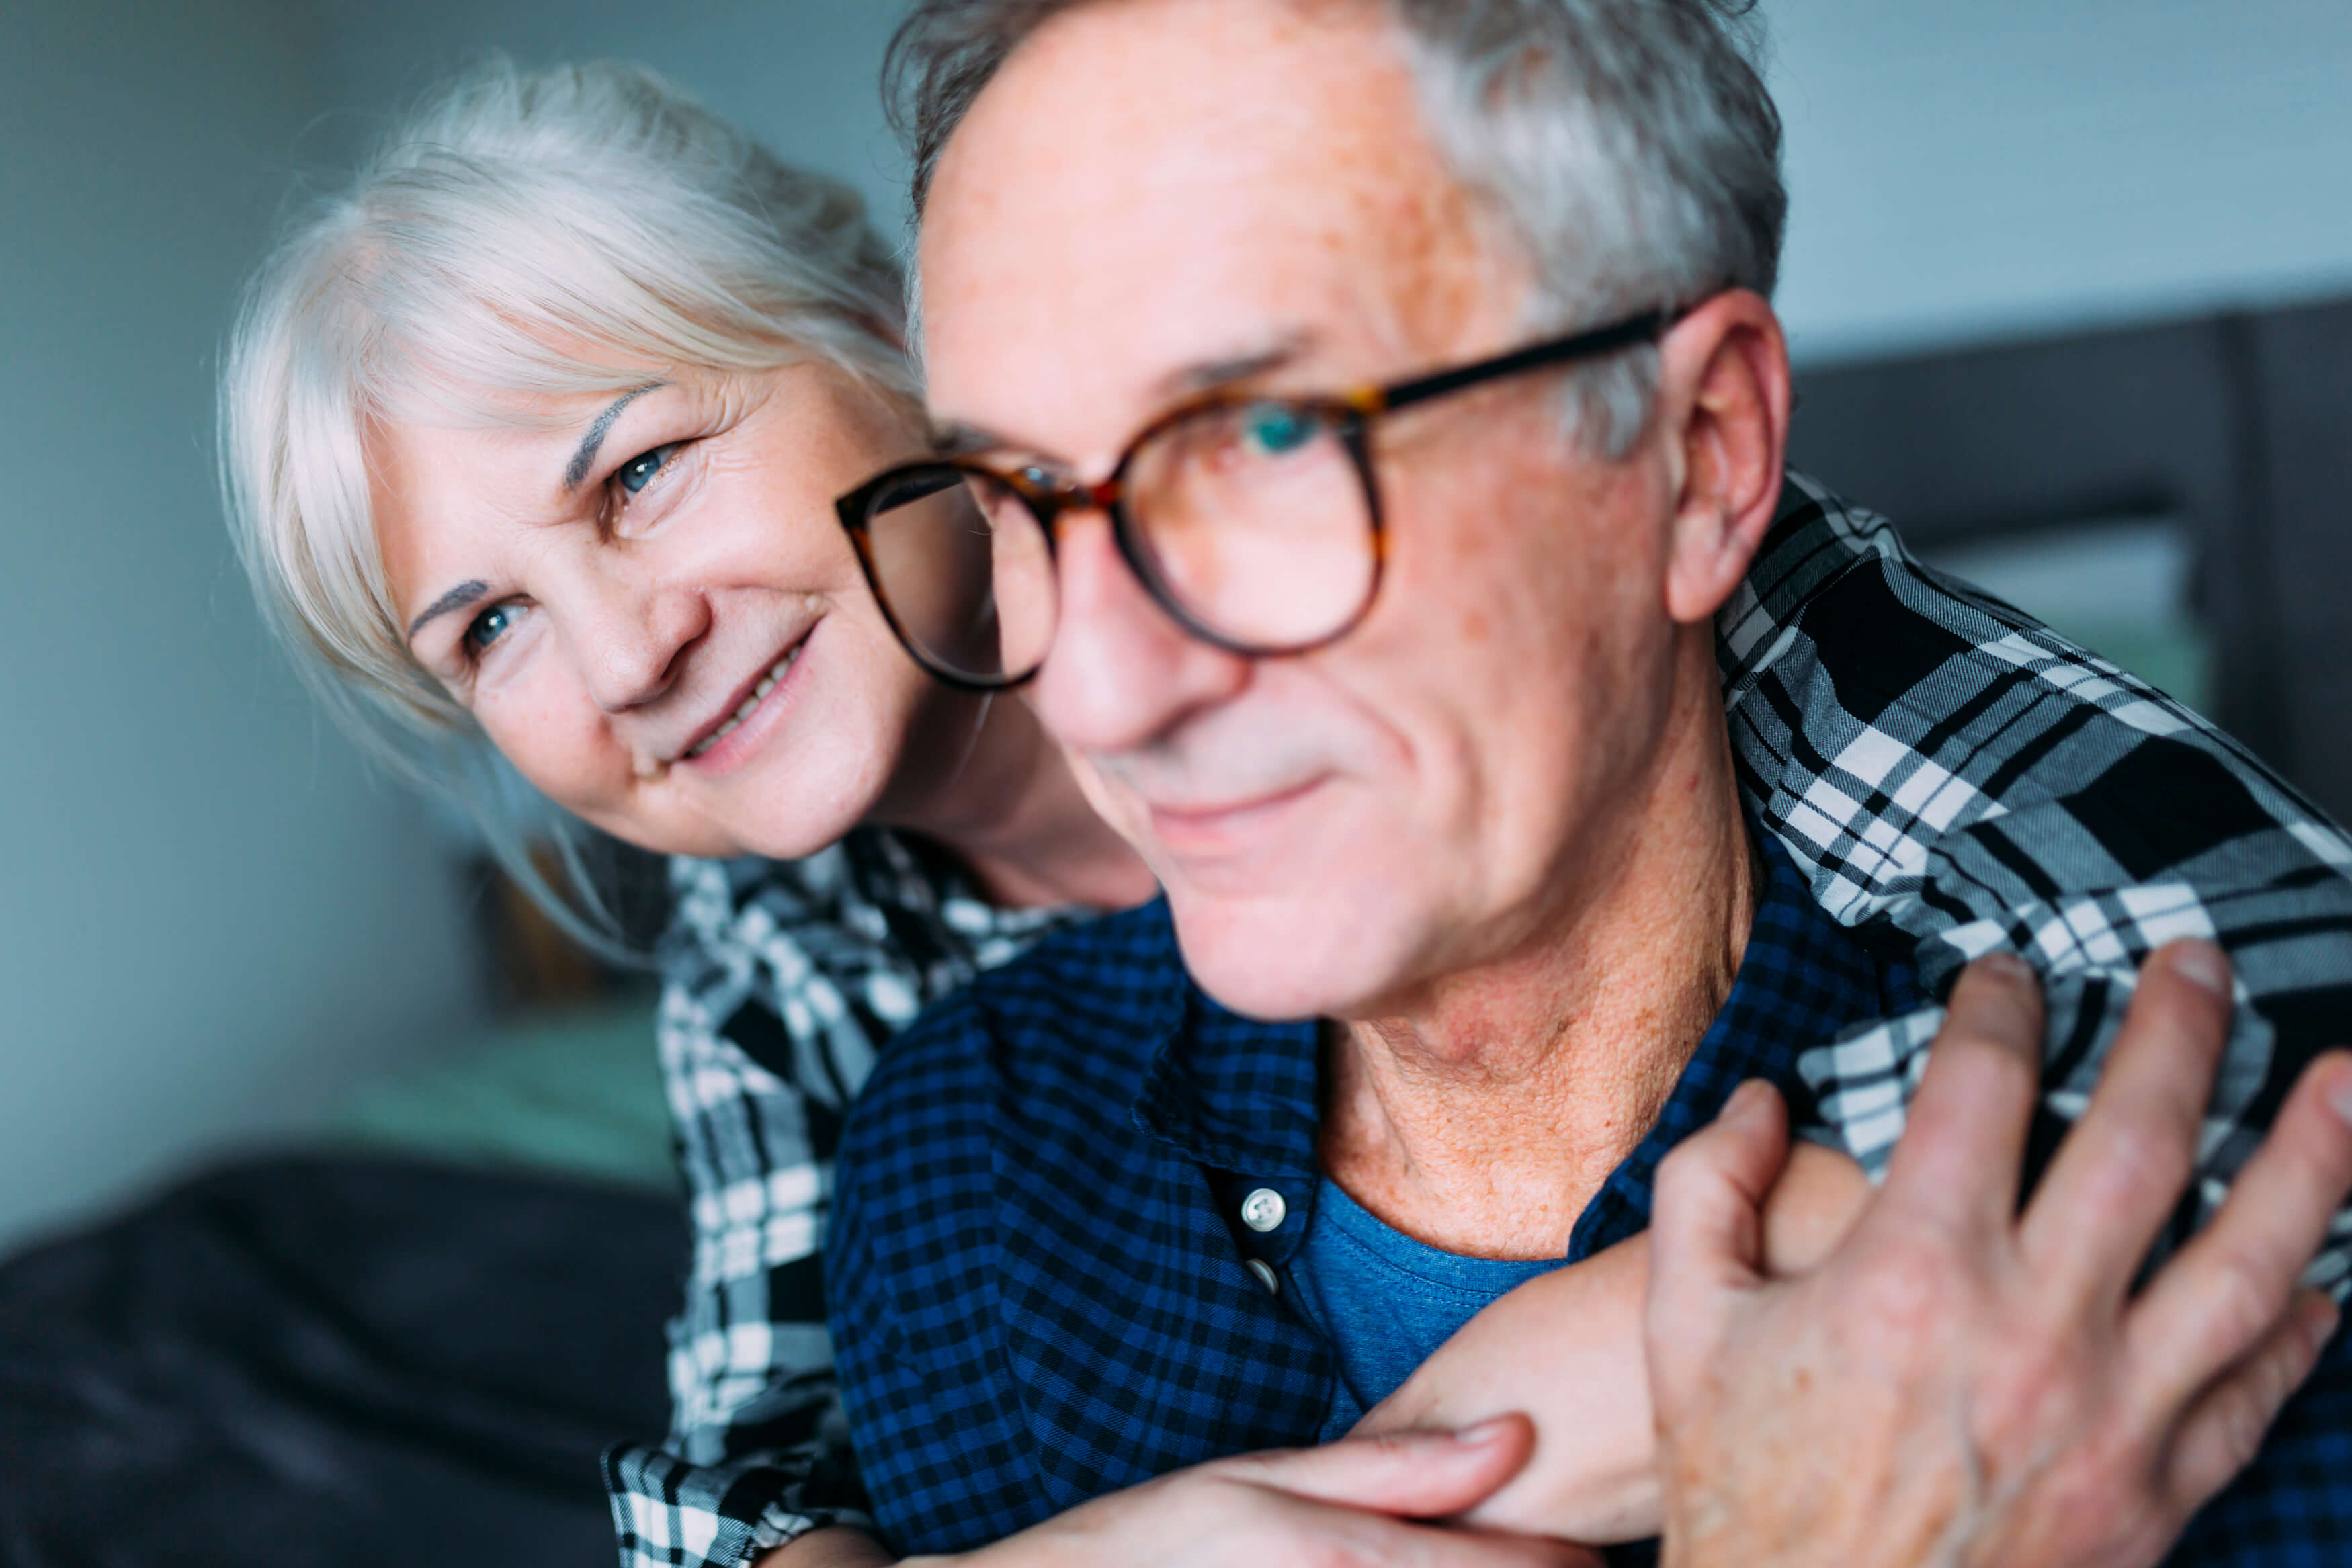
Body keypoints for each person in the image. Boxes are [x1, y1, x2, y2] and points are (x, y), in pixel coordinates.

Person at [816, 0, 2352, 1563]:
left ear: (1697, 452)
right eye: (1018, 495)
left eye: (1264, 438)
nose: (1097, 688)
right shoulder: (963, 1178)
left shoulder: (2192, 1267)